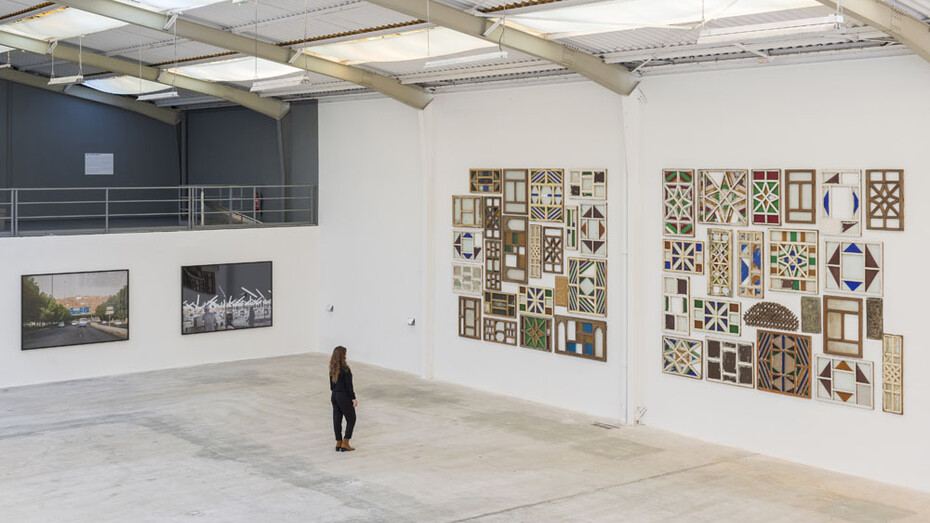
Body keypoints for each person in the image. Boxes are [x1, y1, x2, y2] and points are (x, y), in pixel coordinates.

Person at [329, 345, 357, 452]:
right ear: (342, 356)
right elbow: (349, 386)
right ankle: (346, 443)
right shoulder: (345, 370)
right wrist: (353, 398)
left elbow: (331, 386)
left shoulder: (332, 369)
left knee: (337, 419)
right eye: (345, 354)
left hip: (334, 396)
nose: (346, 356)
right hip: (343, 396)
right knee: (351, 418)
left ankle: (338, 442)